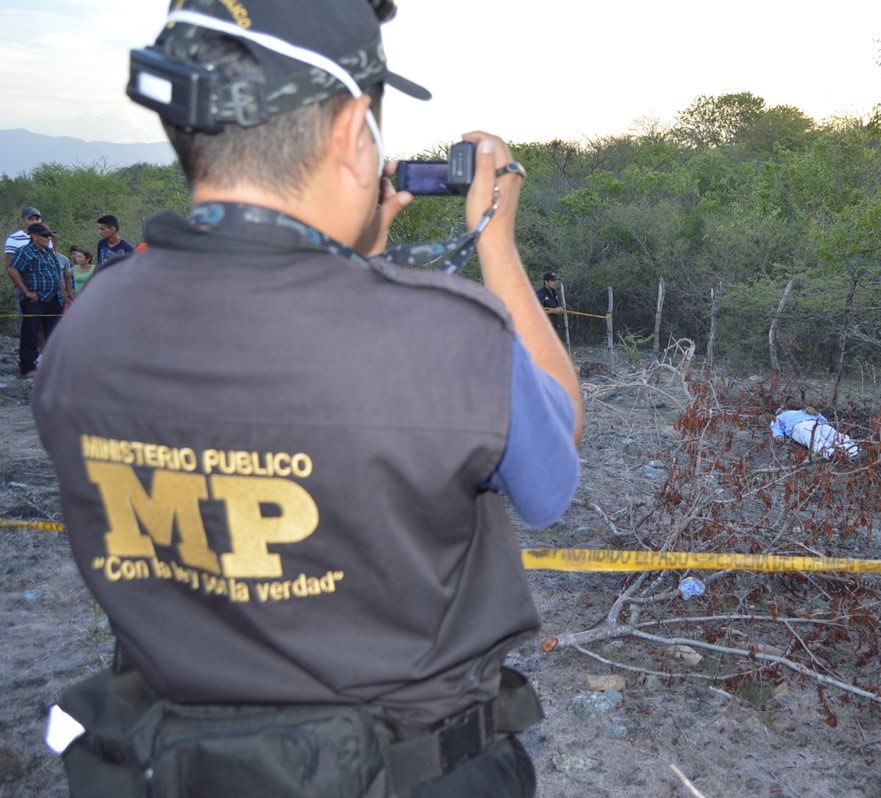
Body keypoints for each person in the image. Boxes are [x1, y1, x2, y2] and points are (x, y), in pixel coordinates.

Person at [33, 2, 582, 797]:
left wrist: (359, 264)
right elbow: (553, 471)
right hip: (408, 773)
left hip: (179, 767)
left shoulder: (86, 327)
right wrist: (496, 243)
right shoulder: (446, 337)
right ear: (353, 131)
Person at [7, 221, 64, 377]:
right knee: (31, 332)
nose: (49, 238)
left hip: (54, 298)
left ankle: (49, 363)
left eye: (50, 235)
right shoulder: (25, 251)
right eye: (45, 235)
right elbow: (12, 269)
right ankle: (28, 367)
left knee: (53, 332)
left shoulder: (49, 251)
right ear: (34, 236)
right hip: (35, 299)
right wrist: (26, 292)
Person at [770, 406, 860, 459]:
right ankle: (832, 455)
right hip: (798, 427)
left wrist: (816, 414)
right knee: (814, 439)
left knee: (833, 434)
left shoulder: (802, 411)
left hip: (816, 423)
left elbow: (825, 422)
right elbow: (775, 428)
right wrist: (778, 436)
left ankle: (855, 451)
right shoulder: (778, 418)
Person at [5, 207, 42, 335]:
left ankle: (43, 352)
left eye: (37, 218)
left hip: (44, 287)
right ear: (23, 220)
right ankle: (27, 352)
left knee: (43, 322)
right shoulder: (14, 238)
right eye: (30, 219)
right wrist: (23, 289)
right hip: (25, 285)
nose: (34, 221)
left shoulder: (45, 237)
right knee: (27, 321)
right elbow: (9, 265)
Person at [536, 271, 566, 339]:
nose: (555, 282)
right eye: (552, 281)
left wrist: (560, 310)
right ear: (546, 282)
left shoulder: (554, 293)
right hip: (544, 329)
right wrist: (554, 311)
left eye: (555, 280)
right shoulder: (540, 294)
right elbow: (537, 311)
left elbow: (555, 308)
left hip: (554, 328)